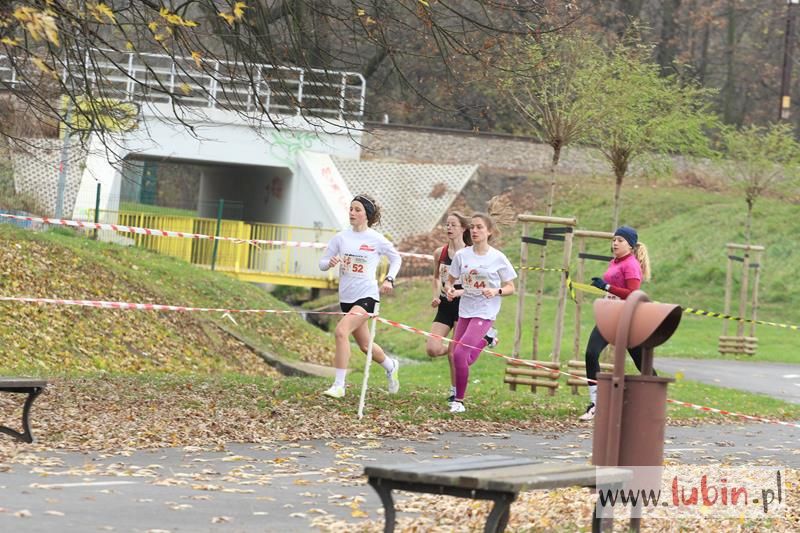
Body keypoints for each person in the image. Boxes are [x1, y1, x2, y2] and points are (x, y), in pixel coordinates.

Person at [318, 194, 402, 398]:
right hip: (346, 298)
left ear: (367, 215)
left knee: (341, 332)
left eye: (357, 210)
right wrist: (329, 263)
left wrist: (389, 279)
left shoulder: (376, 239)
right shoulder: (341, 237)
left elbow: (396, 258)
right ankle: (391, 366)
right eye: (351, 209)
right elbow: (322, 263)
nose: (352, 213)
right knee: (365, 346)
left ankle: (339, 385)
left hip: (367, 296)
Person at [445, 213, 517, 413]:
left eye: (479, 227)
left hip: (485, 311)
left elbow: (511, 287)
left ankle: (459, 401)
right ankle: (487, 340)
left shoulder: (497, 257)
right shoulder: (462, 255)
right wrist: (450, 290)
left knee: (459, 354)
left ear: (489, 232)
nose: (474, 231)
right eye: (472, 227)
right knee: (460, 358)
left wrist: (496, 291)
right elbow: (450, 281)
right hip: (465, 309)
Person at [579, 225, 652, 421]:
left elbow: (633, 294)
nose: (615, 243)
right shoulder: (614, 262)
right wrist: (605, 289)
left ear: (630, 245)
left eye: (620, 240)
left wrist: (607, 286)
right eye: (614, 240)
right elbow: (613, 288)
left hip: (627, 318)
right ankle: (596, 403)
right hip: (609, 315)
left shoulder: (631, 265)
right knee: (591, 354)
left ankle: (655, 400)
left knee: (642, 363)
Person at [426, 212, 472, 403]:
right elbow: (437, 277)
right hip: (445, 305)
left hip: (463, 305)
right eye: (447, 225)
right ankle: (463, 349)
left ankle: (455, 393)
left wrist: (460, 291)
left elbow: (476, 282)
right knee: (433, 349)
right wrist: (436, 296)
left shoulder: (470, 253)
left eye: (453, 225)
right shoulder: (440, 253)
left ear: (463, 228)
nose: (449, 228)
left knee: (454, 354)